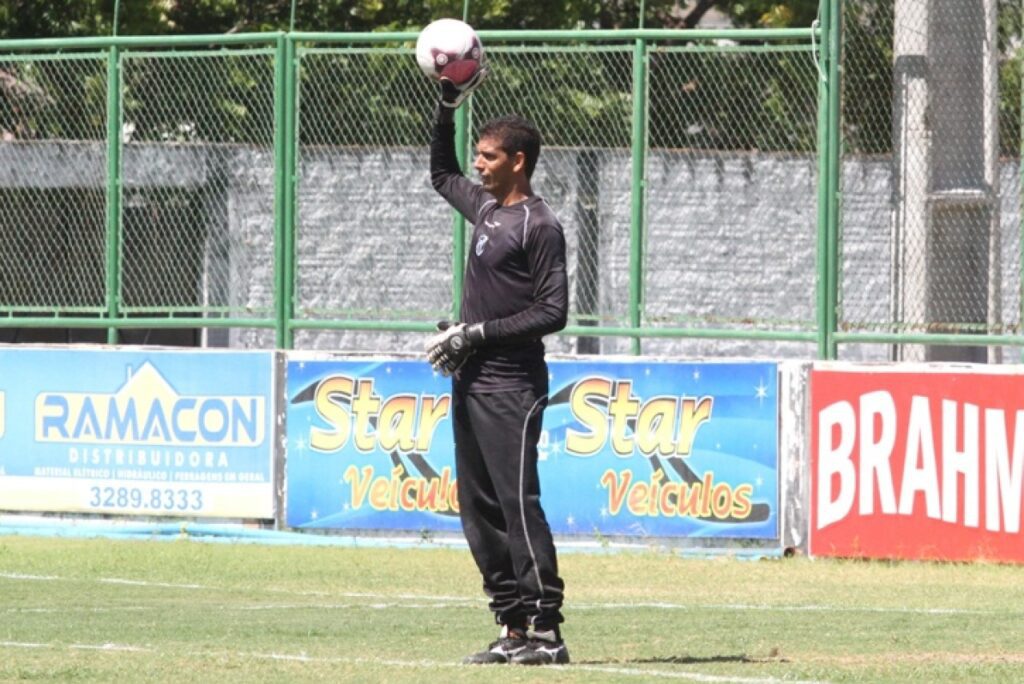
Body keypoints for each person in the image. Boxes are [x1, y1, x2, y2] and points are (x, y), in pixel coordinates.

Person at [424, 69, 570, 666]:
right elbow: (439, 172)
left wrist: (475, 332)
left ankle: (547, 633)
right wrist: (446, 105)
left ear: (518, 160)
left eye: (487, 156)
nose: (477, 165)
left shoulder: (541, 225)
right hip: (473, 381)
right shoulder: (485, 210)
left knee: (516, 501)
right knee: (478, 507)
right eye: (477, 155)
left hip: (513, 384)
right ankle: (511, 626)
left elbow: (552, 311)